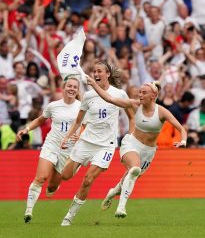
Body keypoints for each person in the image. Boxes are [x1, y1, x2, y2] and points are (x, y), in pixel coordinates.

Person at [86, 77, 187, 218]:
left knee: (130, 177)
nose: (140, 95)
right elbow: (109, 99)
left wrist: (183, 141)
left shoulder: (162, 112)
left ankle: (113, 192)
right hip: (131, 143)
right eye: (139, 92)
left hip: (149, 151)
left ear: (153, 96)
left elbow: (181, 128)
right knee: (134, 169)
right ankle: (121, 208)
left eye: (144, 93)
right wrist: (93, 85)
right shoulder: (134, 104)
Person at [60, 61, 134, 226]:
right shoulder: (88, 96)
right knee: (65, 176)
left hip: (106, 145)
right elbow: (78, 121)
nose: (96, 74)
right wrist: (67, 137)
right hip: (86, 142)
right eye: (94, 71)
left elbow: (131, 115)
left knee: (88, 179)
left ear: (107, 74)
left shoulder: (119, 94)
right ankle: (76, 163)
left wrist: (131, 135)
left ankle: (69, 216)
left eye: (99, 71)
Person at [16, 77, 81, 223]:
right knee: (41, 178)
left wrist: (81, 135)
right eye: (69, 86)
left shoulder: (82, 107)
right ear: (63, 88)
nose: (71, 89)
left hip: (68, 150)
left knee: (52, 186)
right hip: (51, 145)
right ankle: (29, 211)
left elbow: (87, 125)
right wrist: (25, 129)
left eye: (74, 87)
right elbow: (40, 120)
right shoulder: (54, 106)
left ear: (77, 91)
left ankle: (53, 185)